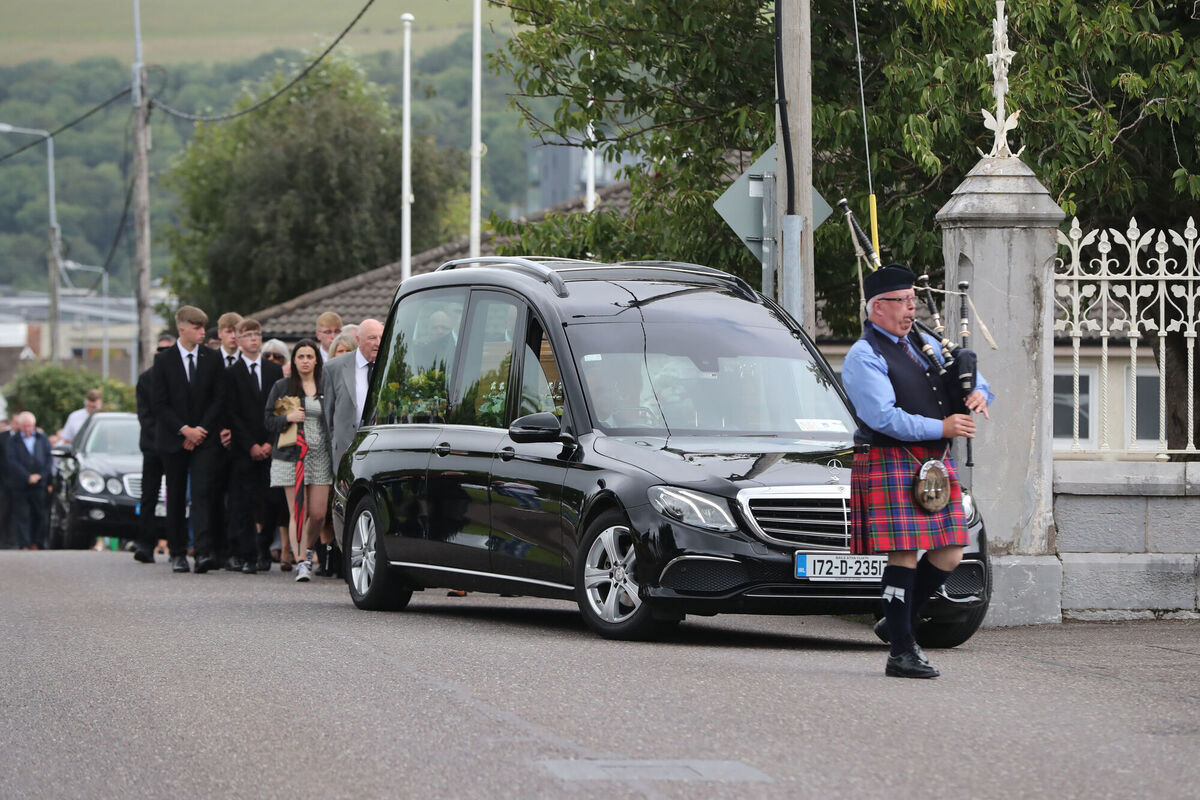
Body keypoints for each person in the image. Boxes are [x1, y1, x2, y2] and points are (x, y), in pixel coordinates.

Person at [840, 264, 993, 679]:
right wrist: (942, 427)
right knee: (904, 554)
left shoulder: (924, 341)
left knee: (950, 553)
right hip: (891, 458)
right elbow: (883, 417)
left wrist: (980, 393)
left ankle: (897, 618)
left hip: (933, 463)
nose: (912, 309)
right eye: (903, 302)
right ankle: (902, 651)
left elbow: (975, 379)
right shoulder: (864, 355)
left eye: (913, 300)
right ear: (877, 308)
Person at [153, 305, 227, 574]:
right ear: (181, 328)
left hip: (204, 440)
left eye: (202, 327)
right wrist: (185, 430)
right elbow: (159, 404)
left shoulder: (212, 358)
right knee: (175, 496)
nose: (201, 333)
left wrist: (200, 431)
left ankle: (204, 551)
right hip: (174, 440)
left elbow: (219, 398)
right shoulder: (163, 360)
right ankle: (177, 552)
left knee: (202, 493)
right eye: (196, 328)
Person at [264, 340, 333, 582]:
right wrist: (288, 417)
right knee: (298, 511)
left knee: (318, 514)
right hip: (291, 456)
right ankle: (302, 560)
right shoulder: (283, 386)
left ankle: (308, 548)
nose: (305, 360)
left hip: (321, 455)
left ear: (317, 360)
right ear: (294, 361)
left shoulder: (326, 384)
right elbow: (269, 422)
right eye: (300, 356)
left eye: (309, 356)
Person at [225, 318, 284, 573]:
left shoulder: (273, 371)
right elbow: (232, 413)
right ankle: (247, 554)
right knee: (244, 502)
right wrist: (250, 445)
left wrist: (270, 443)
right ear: (238, 339)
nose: (253, 339)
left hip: (270, 444)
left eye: (257, 334)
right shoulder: (231, 373)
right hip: (243, 448)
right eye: (248, 334)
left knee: (272, 500)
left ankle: (263, 547)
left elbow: (280, 406)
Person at [130, 335, 176, 564]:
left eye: (168, 349)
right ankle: (145, 544)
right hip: (152, 446)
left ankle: (175, 545)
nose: (163, 353)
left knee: (176, 497)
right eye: (160, 349)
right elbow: (144, 415)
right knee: (149, 496)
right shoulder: (146, 379)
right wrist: (160, 437)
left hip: (176, 445)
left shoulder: (180, 378)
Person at [323, 318, 383, 471]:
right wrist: (334, 445)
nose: (378, 342)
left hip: (381, 449)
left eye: (381, 337)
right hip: (345, 451)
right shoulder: (334, 368)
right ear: (358, 340)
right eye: (372, 338)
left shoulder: (390, 366)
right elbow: (327, 415)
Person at [6, 411, 53, 551]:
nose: (28, 429)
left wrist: (40, 476)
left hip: (39, 484)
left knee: (40, 514)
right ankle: (24, 544)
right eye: (25, 426)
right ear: (19, 425)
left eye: (30, 426)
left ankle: (37, 542)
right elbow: (12, 461)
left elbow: (48, 460)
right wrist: (27, 476)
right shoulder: (12, 441)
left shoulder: (42, 438)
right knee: (23, 515)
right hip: (21, 485)